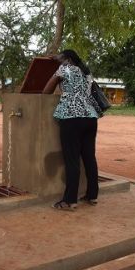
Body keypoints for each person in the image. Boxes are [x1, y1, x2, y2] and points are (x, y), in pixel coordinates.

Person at [43, 49, 102, 211]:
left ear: (67, 59)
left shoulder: (64, 69)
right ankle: (92, 195)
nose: (59, 61)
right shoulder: (86, 71)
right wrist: (56, 58)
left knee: (72, 160)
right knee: (89, 158)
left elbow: (46, 91)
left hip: (71, 117)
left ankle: (69, 200)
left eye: (61, 59)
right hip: (91, 117)